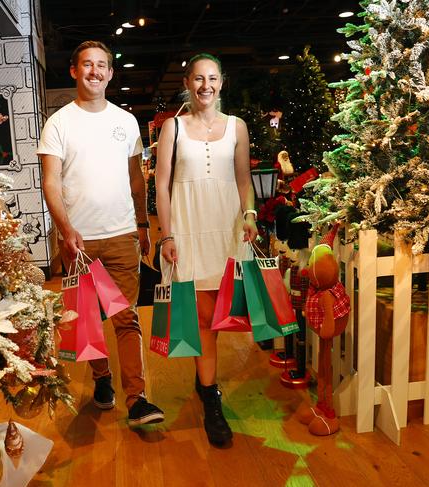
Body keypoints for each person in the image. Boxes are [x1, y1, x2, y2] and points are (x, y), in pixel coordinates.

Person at [38, 40, 164, 427]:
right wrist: (65, 230)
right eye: (87, 65)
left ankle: (137, 398)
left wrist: (143, 225)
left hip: (123, 234)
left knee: (127, 318)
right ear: (74, 71)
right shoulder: (58, 122)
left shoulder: (125, 122)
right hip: (79, 240)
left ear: (110, 73)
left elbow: (135, 182)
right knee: (88, 318)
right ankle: (102, 380)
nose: (94, 71)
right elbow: (50, 183)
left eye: (102, 65)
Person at [155, 53, 258, 445]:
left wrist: (248, 213)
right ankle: (211, 396)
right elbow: (161, 185)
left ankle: (205, 382)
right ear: (188, 81)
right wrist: (166, 234)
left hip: (228, 228)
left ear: (221, 82)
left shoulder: (238, 127)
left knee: (222, 310)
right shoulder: (173, 129)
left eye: (212, 78)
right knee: (202, 319)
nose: (205, 86)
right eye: (198, 79)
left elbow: (243, 177)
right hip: (189, 228)